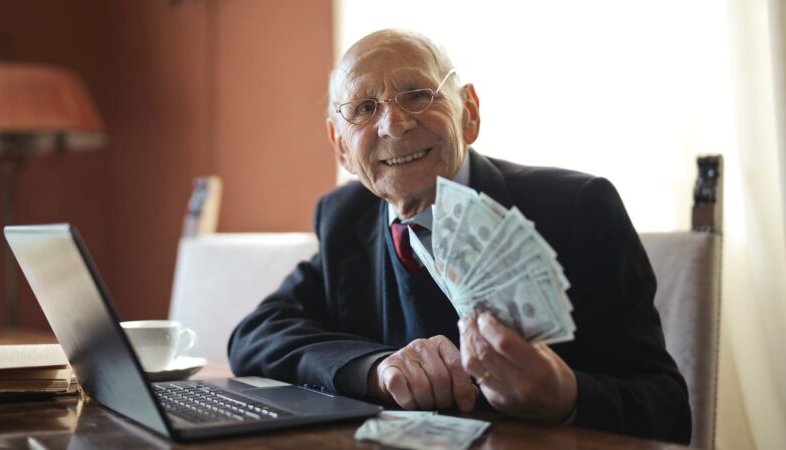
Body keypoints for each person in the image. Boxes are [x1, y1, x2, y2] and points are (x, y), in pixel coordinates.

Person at [228, 29, 691, 444]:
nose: (394, 123)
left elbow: (668, 411)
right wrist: (376, 368)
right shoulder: (345, 216)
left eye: (417, 94)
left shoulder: (578, 208)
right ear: (341, 146)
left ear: (469, 112)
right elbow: (256, 334)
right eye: (365, 108)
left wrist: (565, 395)